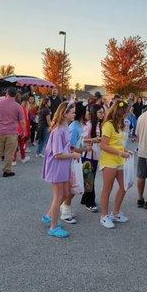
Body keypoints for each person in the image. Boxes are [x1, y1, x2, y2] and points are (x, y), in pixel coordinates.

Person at [41, 101, 81, 238]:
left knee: (64, 194)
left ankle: (49, 215)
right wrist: (73, 154)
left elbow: (64, 148)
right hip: (57, 167)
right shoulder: (58, 131)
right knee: (59, 196)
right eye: (72, 112)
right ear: (64, 114)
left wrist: (72, 151)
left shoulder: (65, 127)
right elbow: (57, 154)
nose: (74, 114)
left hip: (62, 167)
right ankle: (53, 226)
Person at [99, 100, 132, 229]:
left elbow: (119, 143)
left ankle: (115, 213)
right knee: (108, 188)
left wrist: (124, 151)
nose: (126, 114)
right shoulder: (108, 125)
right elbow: (103, 145)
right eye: (125, 112)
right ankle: (104, 216)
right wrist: (120, 152)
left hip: (119, 159)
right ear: (119, 112)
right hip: (109, 161)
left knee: (124, 186)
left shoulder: (121, 124)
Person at [59, 102, 93, 224]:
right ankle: (65, 211)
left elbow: (79, 141)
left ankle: (65, 207)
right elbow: (71, 147)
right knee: (72, 187)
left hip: (77, 159)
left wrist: (87, 143)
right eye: (87, 111)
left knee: (75, 186)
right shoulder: (74, 127)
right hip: (71, 160)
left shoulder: (79, 125)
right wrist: (84, 149)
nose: (89, 113)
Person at [0, 87, 25, 178]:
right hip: (11, 132)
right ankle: (7, 171)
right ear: (15, 95)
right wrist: (23, 131)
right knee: (9, 153)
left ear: (7, 93)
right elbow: (22, 121)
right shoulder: (18, 106)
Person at [81, 104, 104, 212]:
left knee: (90, 179)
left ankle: (86, 199)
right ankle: (90, 202)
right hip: (87, 157)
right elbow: (81, 140)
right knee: (89, 180)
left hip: (95, 156)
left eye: (103, 112)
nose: (102, 114)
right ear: (94, 113)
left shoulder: (99, 124)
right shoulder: (89, 125)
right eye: (100, 112)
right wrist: (92, 140)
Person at [13, 95, 30, 165]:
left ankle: (13, 160)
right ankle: (23, 158)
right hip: (22, 128)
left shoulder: (17, 107)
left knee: (14, 145)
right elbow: (25, 121)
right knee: (21, 144)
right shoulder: (24, 109)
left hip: (15, 128)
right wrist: (25, 131)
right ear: (25, 101)